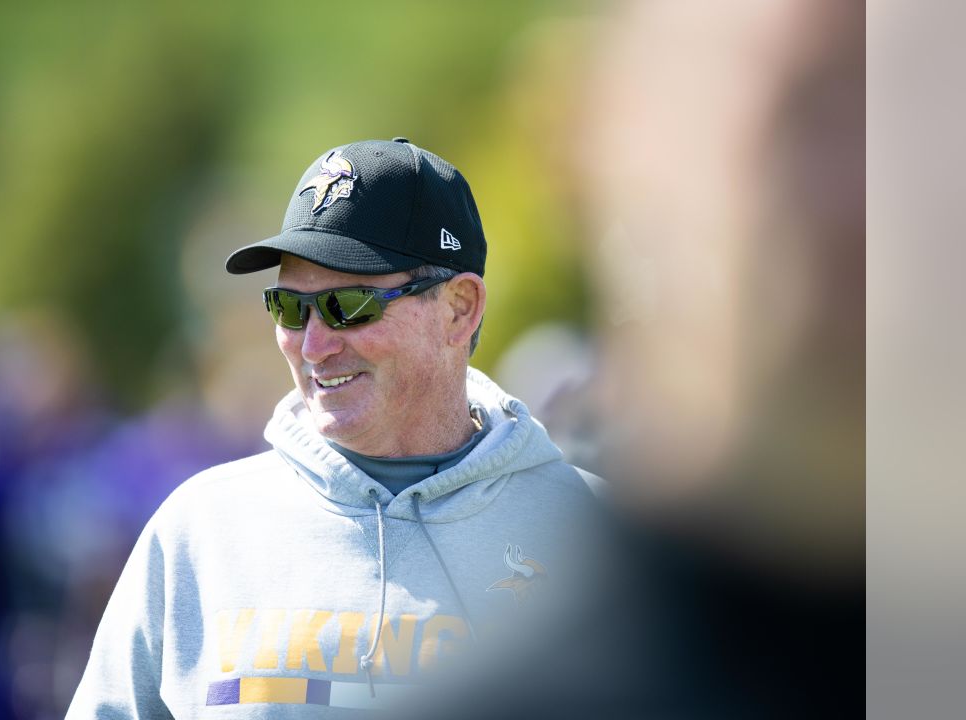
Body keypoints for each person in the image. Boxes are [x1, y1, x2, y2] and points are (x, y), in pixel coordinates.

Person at [66, 138, 601, 718]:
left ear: (459, 308)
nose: (314, 345)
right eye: (290, 308)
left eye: (350, 304)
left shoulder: (599, 538)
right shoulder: (198, 532)